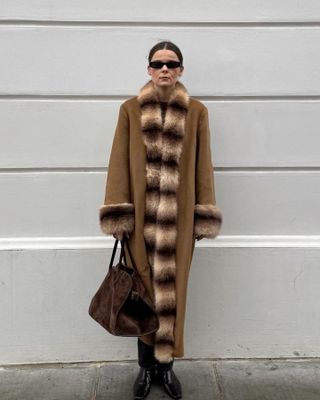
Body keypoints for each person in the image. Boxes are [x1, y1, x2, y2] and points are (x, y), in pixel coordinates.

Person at [99, 41, 222, 400]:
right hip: (139, 222)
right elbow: (118, 163)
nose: (165, 69)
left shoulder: (197, 112)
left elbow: (204, 167)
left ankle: (165, 369)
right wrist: (118, 214)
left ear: (181, 69)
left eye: (172, 63)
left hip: (181, 222)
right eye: (158, 63)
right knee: (142, 295)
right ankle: (144, 367)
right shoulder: (130, 111)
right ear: (149, 69)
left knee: (174, 293)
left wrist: (204, 214)